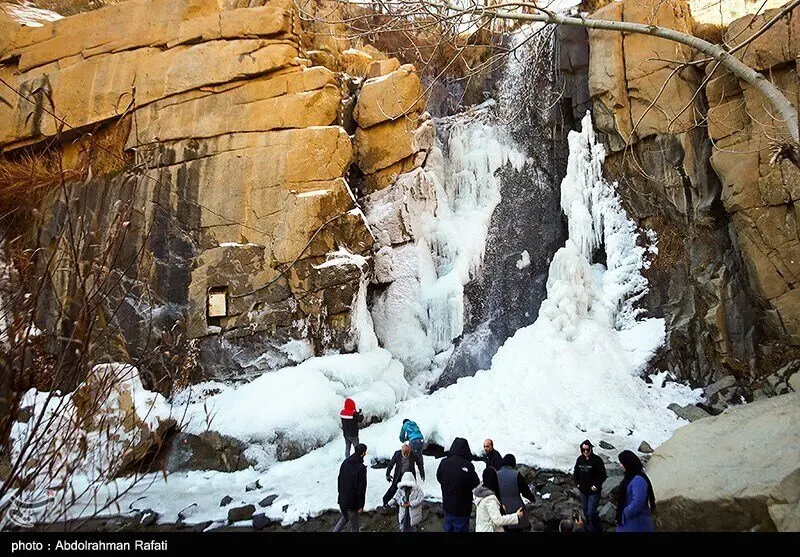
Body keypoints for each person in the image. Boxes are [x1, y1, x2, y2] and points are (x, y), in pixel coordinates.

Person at [436, 437, 480, 532]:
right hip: (462, 507)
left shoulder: (444, 462)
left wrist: (447, 484)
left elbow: (438, 476)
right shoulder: (467, 465)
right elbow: (475, 482)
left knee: (448, 527)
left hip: (447, 504)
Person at [615, 450, 656, 532]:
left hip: (637, 523)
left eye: (622, 463)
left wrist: (625, 513)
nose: (620, 465)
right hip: (629, 523)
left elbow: (638, 502)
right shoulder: (629, 477)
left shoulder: (638, 479)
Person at [474, 467, 523, 532]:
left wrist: (499, 508)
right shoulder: (489, 499)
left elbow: (487, 515)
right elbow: (498, 520)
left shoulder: (480, 495)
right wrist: (516, 516)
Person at [573, 439, 607, 532]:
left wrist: (596, 485)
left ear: (591, 449)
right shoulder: (579, 459)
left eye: (587, 449)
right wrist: (577, 484)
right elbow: (575, 472)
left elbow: (603, 475)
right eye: (583, 450)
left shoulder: (597, 460)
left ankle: (598, 529)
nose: (586, 452)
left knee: (591, 512)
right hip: (583, 490)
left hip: (594, 491)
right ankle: (589, 528)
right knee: (585, 511)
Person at [333, 443, 368, 532]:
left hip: (342, 499)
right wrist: (361, 505)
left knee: (344, 518)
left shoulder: (345, 462)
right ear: (363, 453)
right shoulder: (361, 468)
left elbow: (339, 479)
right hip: (352, 502)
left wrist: (340, 495)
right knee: (354, 527)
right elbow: (361, 488)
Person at [496, 453, 535, 532]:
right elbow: (525, 491)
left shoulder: (496, 474)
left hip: (500, 509)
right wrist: (532, 498)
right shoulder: (516, 474)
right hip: (516, 510)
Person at [383, 441, 426, 507]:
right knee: (394, 488)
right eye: (404, 453)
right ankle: (385, 501)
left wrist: (422, 473)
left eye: (407, 453)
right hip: (399, 474)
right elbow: (391, 464)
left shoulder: (413, 454)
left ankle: (409, 502)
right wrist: (387, 474)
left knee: (410, 489)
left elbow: (419, 463)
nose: (406, 455)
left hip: (409, 475)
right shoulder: (397, 454)